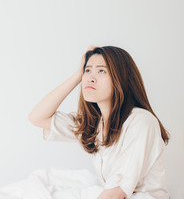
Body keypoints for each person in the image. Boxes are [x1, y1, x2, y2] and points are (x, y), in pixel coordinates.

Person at [28, 46, 170, 199]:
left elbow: (118, 191)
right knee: (36, 185)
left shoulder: (141, 121)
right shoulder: (94, 124)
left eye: (101, 71)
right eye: (88, 70)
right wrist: (78, 75)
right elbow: (37, 117)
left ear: (120, 78)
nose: (91, 78)